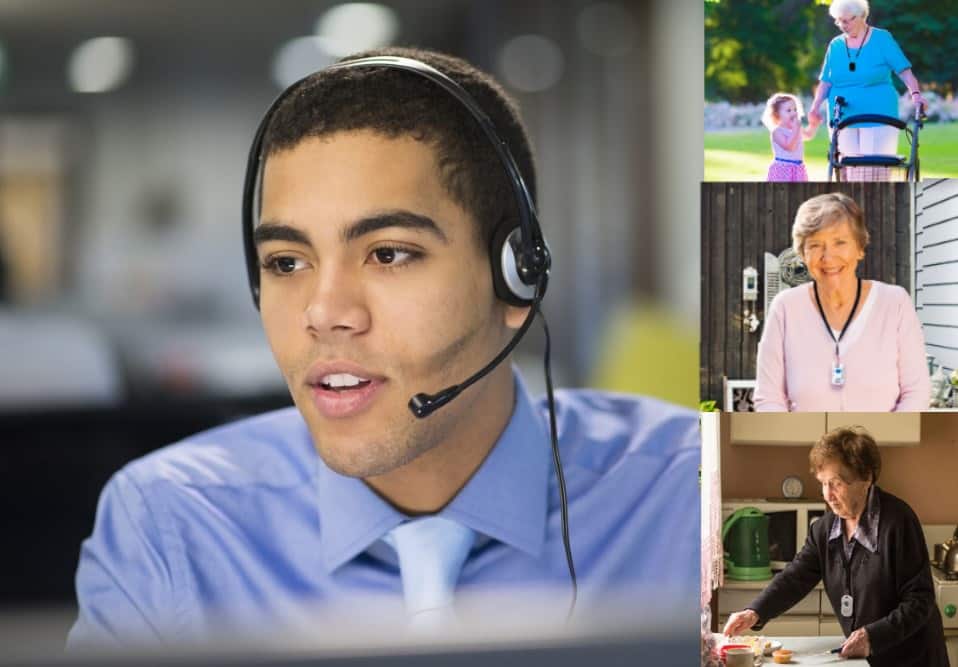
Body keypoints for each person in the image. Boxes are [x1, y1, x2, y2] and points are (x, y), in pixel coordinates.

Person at [66, 47, 700, 648]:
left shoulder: (689, 500)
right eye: (287, 262)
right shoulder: (169, 523)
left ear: (517, 277)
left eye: (389, 253)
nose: (324, 313)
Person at [723, 426, 948, 667]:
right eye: (823, 483)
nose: (827, 495)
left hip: (913, 658)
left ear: (866, 478)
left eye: (837, 484)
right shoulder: (824, 529)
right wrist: (754, 612)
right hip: (866, 659)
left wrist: (873, 636)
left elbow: (919, 600)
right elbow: (795, 577)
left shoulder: (898, 522)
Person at [754, 192, 930, 412]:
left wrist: (882, 443)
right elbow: (768, 398)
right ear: (802, 253)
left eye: (840, 242)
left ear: (859, 247)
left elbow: (917, 393)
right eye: (815, 245)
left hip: (882, 445)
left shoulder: (895, 303)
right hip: (804, 445)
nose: (828, 257)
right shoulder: (785, 307)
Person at [806, 0, 929, 181]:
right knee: (848, 170)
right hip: (843, 116)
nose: (842, 26)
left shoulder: (882, 39)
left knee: (874, 172)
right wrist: (815, 107)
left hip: (879, 113)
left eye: (847, 20)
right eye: (839, 21)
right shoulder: (836, 45)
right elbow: (826, 81)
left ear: (862, 16)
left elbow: (904, 71)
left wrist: (916, 95)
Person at [761, 93, 818, 182]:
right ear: (777, 115)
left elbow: (808, 135)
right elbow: (789, 146)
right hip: (783, 169)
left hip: (798, 168)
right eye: (788, 110)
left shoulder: (796, 128)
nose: (794, 113)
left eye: (795, 109)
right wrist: (796, 129)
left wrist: (814, 124)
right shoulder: (777, 131)